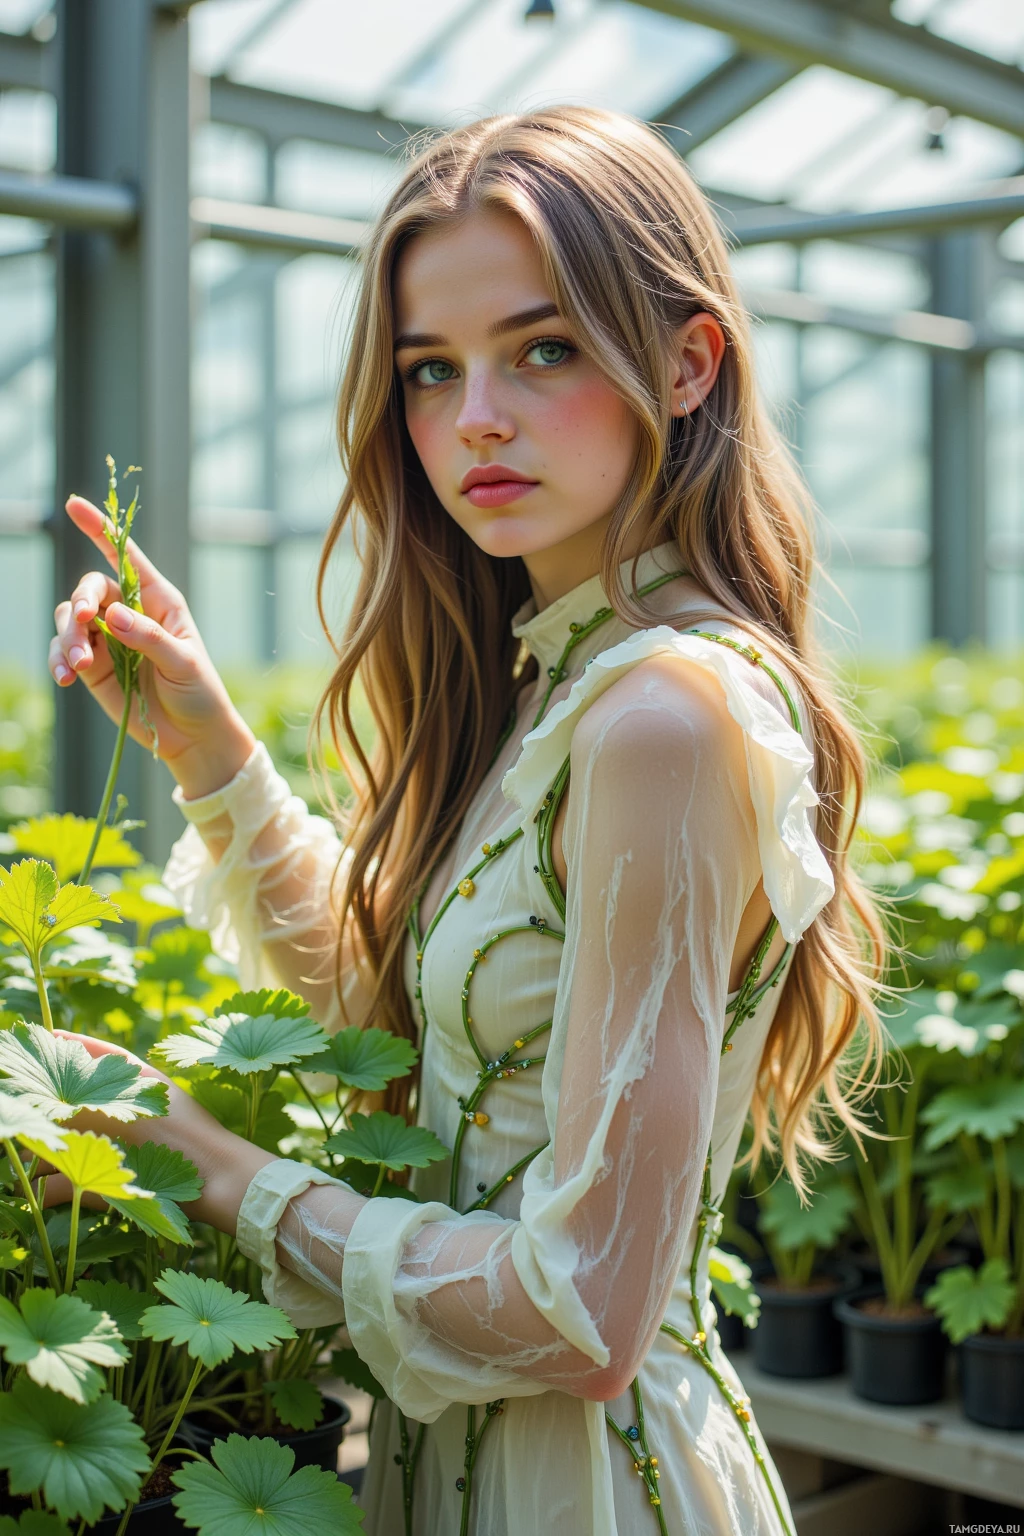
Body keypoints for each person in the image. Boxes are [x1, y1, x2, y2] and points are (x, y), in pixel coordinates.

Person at [48, 106, 887, 1536]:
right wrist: (213, 752)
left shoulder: (659, 718)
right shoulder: (566, 669)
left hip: (588, 1484)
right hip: (475, 1465)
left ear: (688, 364)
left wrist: (209, 1166)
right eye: (431, 371)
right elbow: (419, 1018)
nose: (475, 416)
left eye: (542, 348)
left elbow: (583, 1311)